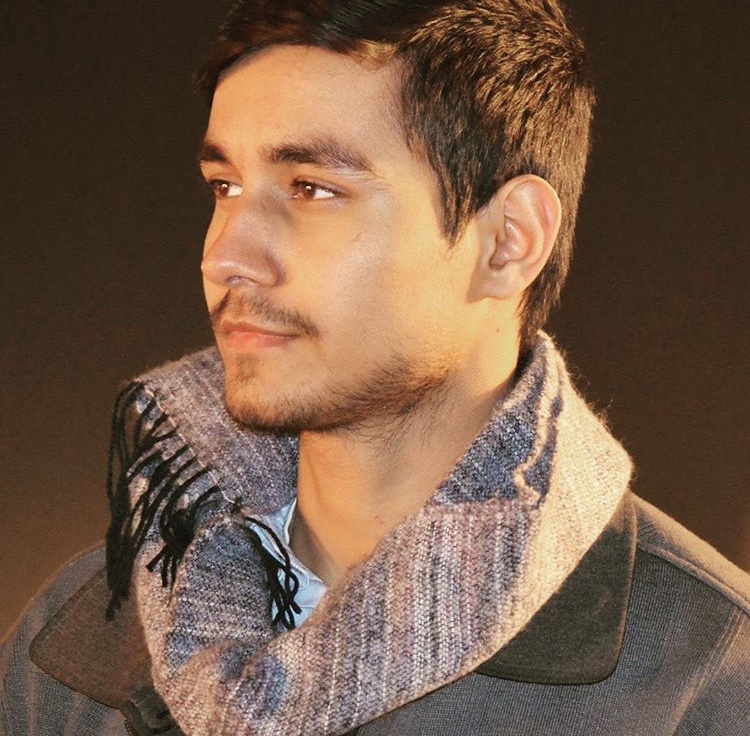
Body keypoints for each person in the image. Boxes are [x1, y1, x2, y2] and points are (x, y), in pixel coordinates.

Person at [2, 0, 749, 733]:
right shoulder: (79, 642)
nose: (224, 256)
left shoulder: (703, 684)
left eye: (312, 189)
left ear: (508, 241)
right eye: (224, 187)